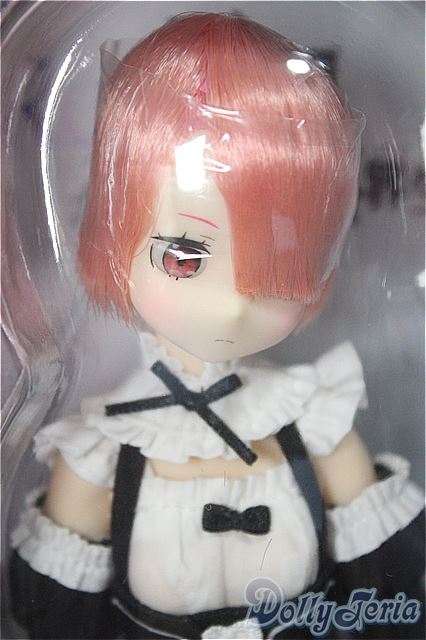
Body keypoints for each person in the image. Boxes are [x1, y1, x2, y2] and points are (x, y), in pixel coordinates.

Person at [10, 13, 424, 640]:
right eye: (183, 257)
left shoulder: (315, 421)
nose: (232, 303)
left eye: (278, 263)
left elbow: (387, 593)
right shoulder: (102, 449)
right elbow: (56, 619)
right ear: (115, 239)